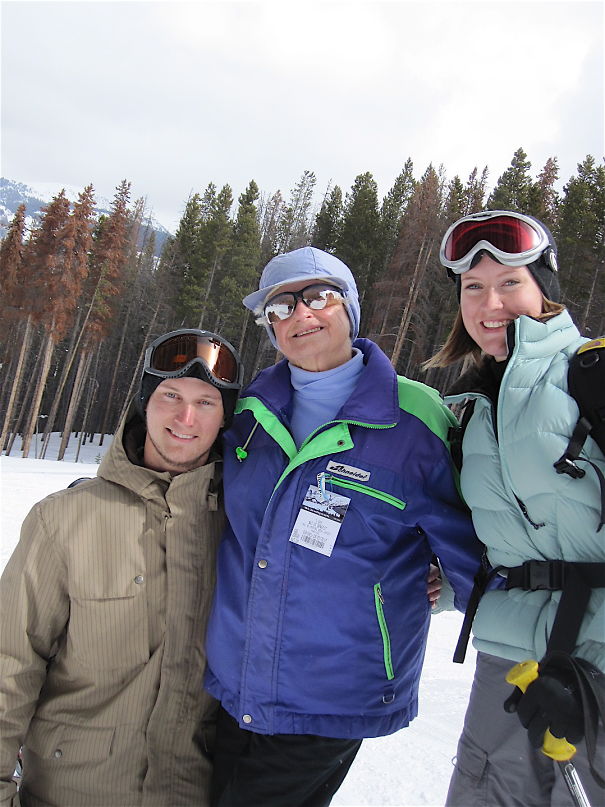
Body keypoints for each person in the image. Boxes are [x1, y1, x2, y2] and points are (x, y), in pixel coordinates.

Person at [203, 246, 486, 807]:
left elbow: (479, 541)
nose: (300, 315)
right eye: (280, 307)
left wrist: (448, 584)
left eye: (317, 297)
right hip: (235, 680)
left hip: (335, 690)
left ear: (349, 310)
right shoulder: (251, 411)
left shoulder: (416, 418)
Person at [0, 329, 243, 807]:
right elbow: (9, 664)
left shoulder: (244, 528)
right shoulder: (64, 518)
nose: (185, 417)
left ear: (225, 418)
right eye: (170, 395)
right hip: (68, 792)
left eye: (206, 402)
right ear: (144, 402)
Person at [424, 210, 605, 806]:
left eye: (509, 283)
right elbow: (492, 538)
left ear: (544, 290)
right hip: (509, 659)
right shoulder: (470, 411)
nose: (489, 302)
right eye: (473, 288)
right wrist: (444, 583)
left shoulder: (594, 375)